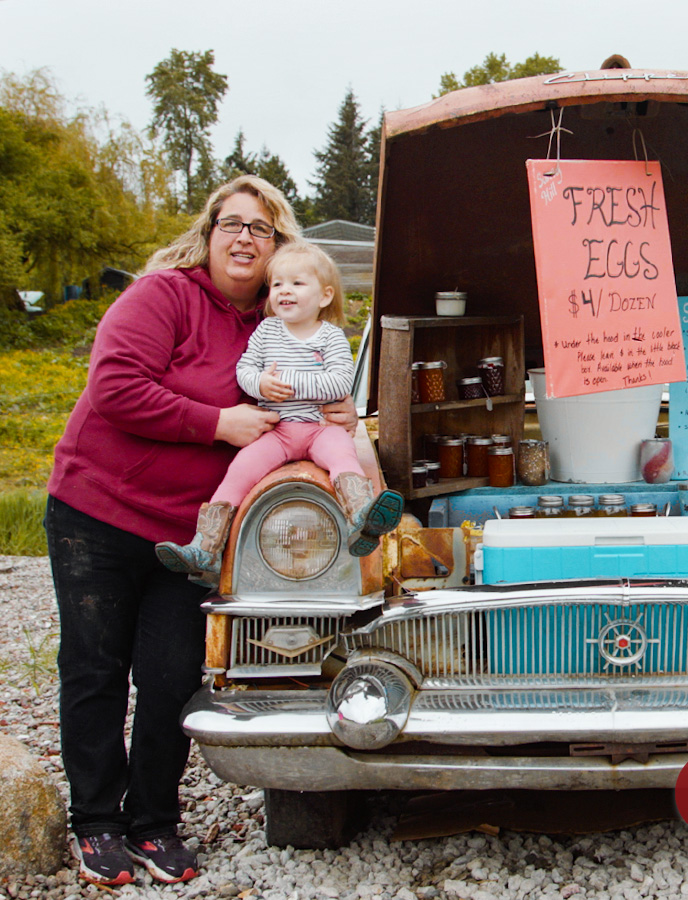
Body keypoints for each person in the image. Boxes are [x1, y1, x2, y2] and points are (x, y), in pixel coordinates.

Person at [44, 176, 353, 886]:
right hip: (98, 510)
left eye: (261, 228)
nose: (244, 238)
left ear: (279, 248)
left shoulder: (281, 324)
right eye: (231, 223)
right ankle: (96, 822)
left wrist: (335, 414)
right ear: (209, 234)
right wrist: (217, 422)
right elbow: (116, 386)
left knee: (171, 674)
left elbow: (312, 402)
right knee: (94, 667)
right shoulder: (163, 296)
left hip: (189, 535)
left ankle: (153, 821)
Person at [155, 241, 402, 578]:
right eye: (277, 284)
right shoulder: (266, 331)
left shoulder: (331, 337)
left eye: (297, 283)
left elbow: (340, 383)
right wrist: (259, 384)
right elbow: (244, 369)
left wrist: (286, 382)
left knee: (343, 457)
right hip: (278, 430)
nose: (285, 291)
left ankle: (362, 519)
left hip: (320, 428)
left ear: (325, 296)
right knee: (239, 472)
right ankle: (205, 548)